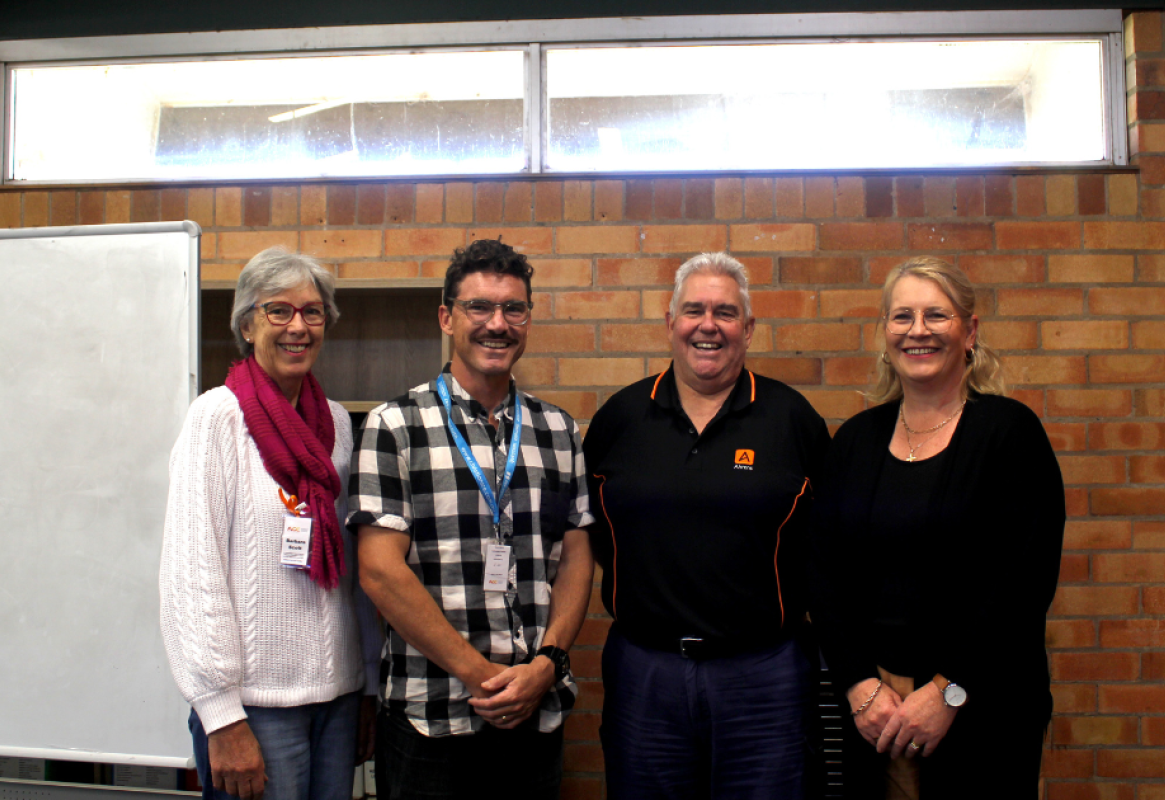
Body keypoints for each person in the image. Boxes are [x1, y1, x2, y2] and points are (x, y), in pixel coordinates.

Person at [349, 238, 595, 800]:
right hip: (431, 717)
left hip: (536, 712)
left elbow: (576, 558)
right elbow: (379, 572)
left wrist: (547, 664)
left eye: (514, 308)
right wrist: (482, 676)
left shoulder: (558, 431)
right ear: (446, 317)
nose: (498, 324)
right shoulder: (395, 426)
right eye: (479, 307)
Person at [812, 256, 1065, 800]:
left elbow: (1022, 585)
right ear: (885, 332)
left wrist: (948, 692)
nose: (918, 331)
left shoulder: (1010, 435)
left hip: (985, 708)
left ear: (969, 331)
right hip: (876, 712)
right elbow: (824, 574)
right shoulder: (856, 442)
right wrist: (859, 685)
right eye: (902, 316)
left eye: (936, 315)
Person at [583, 252, 830, 800]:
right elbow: (594, 533)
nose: (708, 325)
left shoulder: (793, 420)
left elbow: (825, 542)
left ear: (749, 328)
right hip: (646, 672)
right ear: (671, 324)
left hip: (765, 674)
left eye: (725, 312)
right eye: (694, 310)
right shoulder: (619, 420)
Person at [160, 247, 380, 800]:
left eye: (312, 312)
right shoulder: (217, 418)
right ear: (246, 323)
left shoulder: (333, 421)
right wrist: (221, 715)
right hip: (253, 709)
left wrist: (366, 686)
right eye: (278, 311)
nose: (298, 327)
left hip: (336, 696)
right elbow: (192, 571)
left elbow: (353, 565)